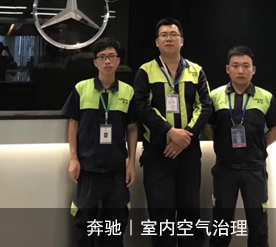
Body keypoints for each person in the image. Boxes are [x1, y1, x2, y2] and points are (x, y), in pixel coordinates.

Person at [134, 18, 212, 247]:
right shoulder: (145, 71)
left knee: (190, 211)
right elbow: (141, 107)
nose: (169, 38)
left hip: (188, 152)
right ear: (157, 42)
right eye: (164, 35)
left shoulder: (196, 71)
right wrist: (170, 132)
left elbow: (205, 106)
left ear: (182, 41)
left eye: (173, 34)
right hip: (158, 152)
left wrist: (184, 138)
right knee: (161, 214)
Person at [204, 46, 276, 247]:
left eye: (246, 66)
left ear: (253, 70)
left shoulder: (265, 97)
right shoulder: (215, 96)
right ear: (227, 69)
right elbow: (208, 127)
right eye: (236, 66)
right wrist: (221, 144)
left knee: (258, 226)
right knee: (221, 225)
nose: (241, 71)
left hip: (254, 169)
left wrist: (259, 146)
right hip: (225, 169)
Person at [61, 38, 138, 247]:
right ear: (95, 62)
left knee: (114, 226)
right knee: (84, 225)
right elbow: (73, 125)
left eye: (112, 57)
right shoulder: (81, 88)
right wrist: (73, 159)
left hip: (116, 170)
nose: (107, 61)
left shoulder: (128, 92)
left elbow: (132, 128)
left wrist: (131, 163)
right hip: (87, 168)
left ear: (118, 61)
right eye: (102, 57)